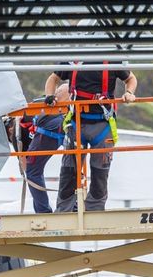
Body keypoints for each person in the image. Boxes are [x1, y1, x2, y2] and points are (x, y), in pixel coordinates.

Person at [44, 62, 138, 212]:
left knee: (100, 172)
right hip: (76, 124)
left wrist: (130, 93)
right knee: (69, 171)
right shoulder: (73, 61)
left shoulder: (111, 61)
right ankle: (64, 211)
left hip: (102, 124)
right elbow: (53, 78)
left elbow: (131, 78)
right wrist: (49, 96)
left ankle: (94, 210)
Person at [22, 83, 72, 214]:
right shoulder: (73, 85)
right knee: (73, 169)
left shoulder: (64, 86)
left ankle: (43, 211)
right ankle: (72, 206)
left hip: (53, 126)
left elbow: (26, 162)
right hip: (70, 122)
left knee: (32, 171)